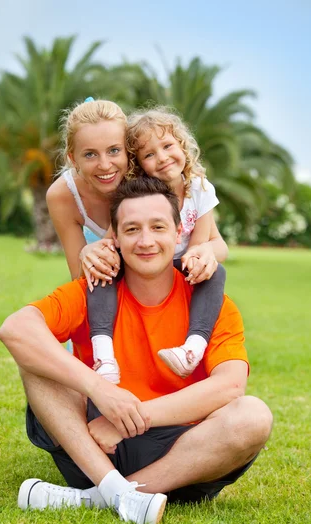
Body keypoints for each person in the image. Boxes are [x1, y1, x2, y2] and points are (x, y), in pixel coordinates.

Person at [0, 176, 273, 524]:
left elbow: (230, 388)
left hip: (181, 457)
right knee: (37, 359)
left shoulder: (214, 304)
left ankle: (100, 498)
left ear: (178, 233)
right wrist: (101, 391)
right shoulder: (92, 290)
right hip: (96, 450)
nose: (145, 241)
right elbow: (15, 329)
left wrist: (129, 419)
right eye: (131, 229)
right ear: (114, 237)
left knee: (253, 415)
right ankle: (115, 491)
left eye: (157, 227)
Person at [84, 106, 229, 383]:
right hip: (137, 267)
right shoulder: (138, 195)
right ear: (139, 164)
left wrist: (203, 258)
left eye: (167, 146)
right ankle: (103, 356)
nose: (162, 158)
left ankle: (192, 349)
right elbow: (111, 240)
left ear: (183, 146)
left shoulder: (200, 189)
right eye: (149, 154)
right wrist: (94, 252)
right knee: (104, 269)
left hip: (177, 267)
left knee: (216, 273)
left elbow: (201, 246)